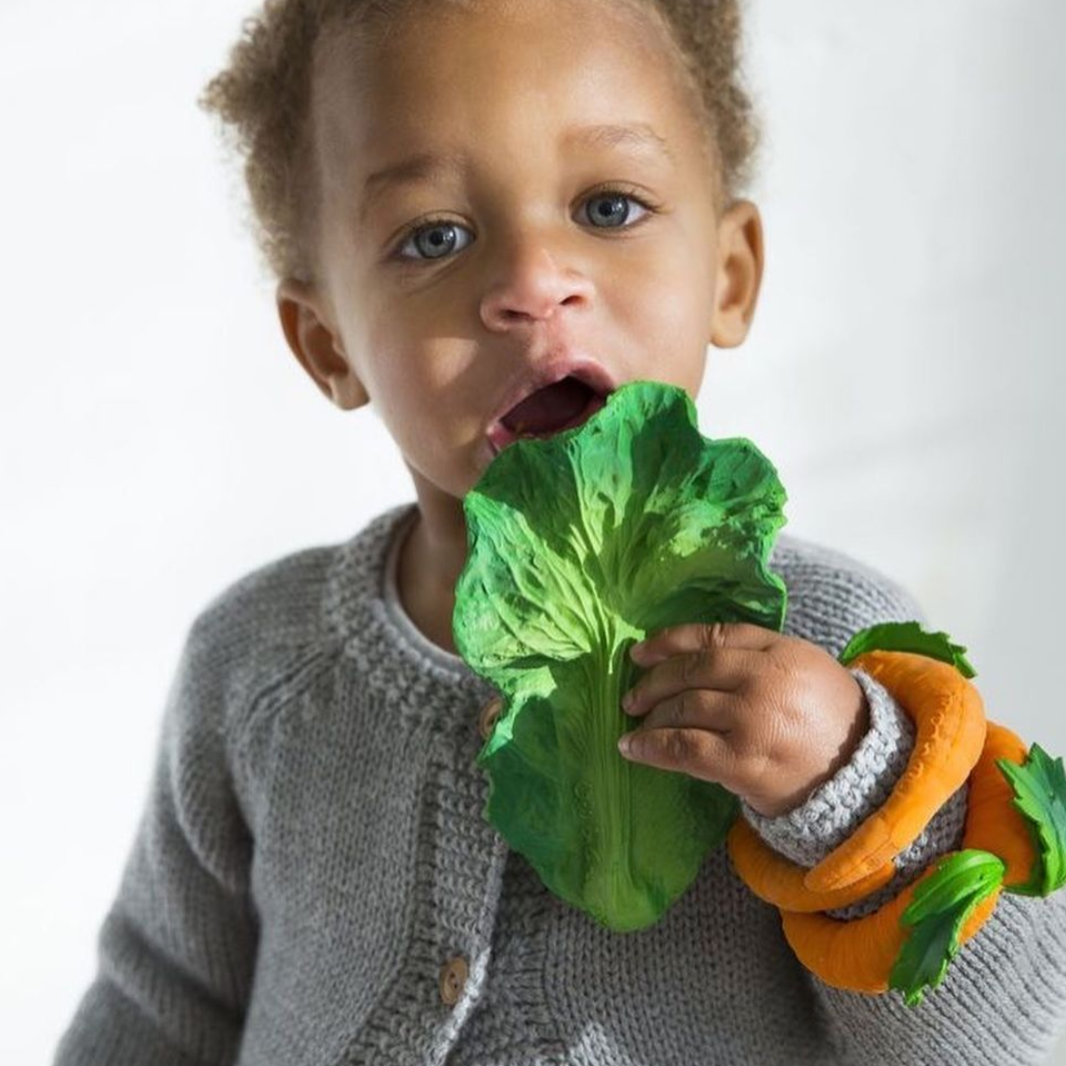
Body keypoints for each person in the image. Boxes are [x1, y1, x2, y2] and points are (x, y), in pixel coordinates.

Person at [53, 0, 1066, 1063]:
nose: (534, 283)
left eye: (609, 206)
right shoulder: (257, 660)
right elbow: (157, 1002)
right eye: (434, 237)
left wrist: (847, 788)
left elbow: (999, 1038)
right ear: (327, 343)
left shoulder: (832, 646)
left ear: (728, 273)